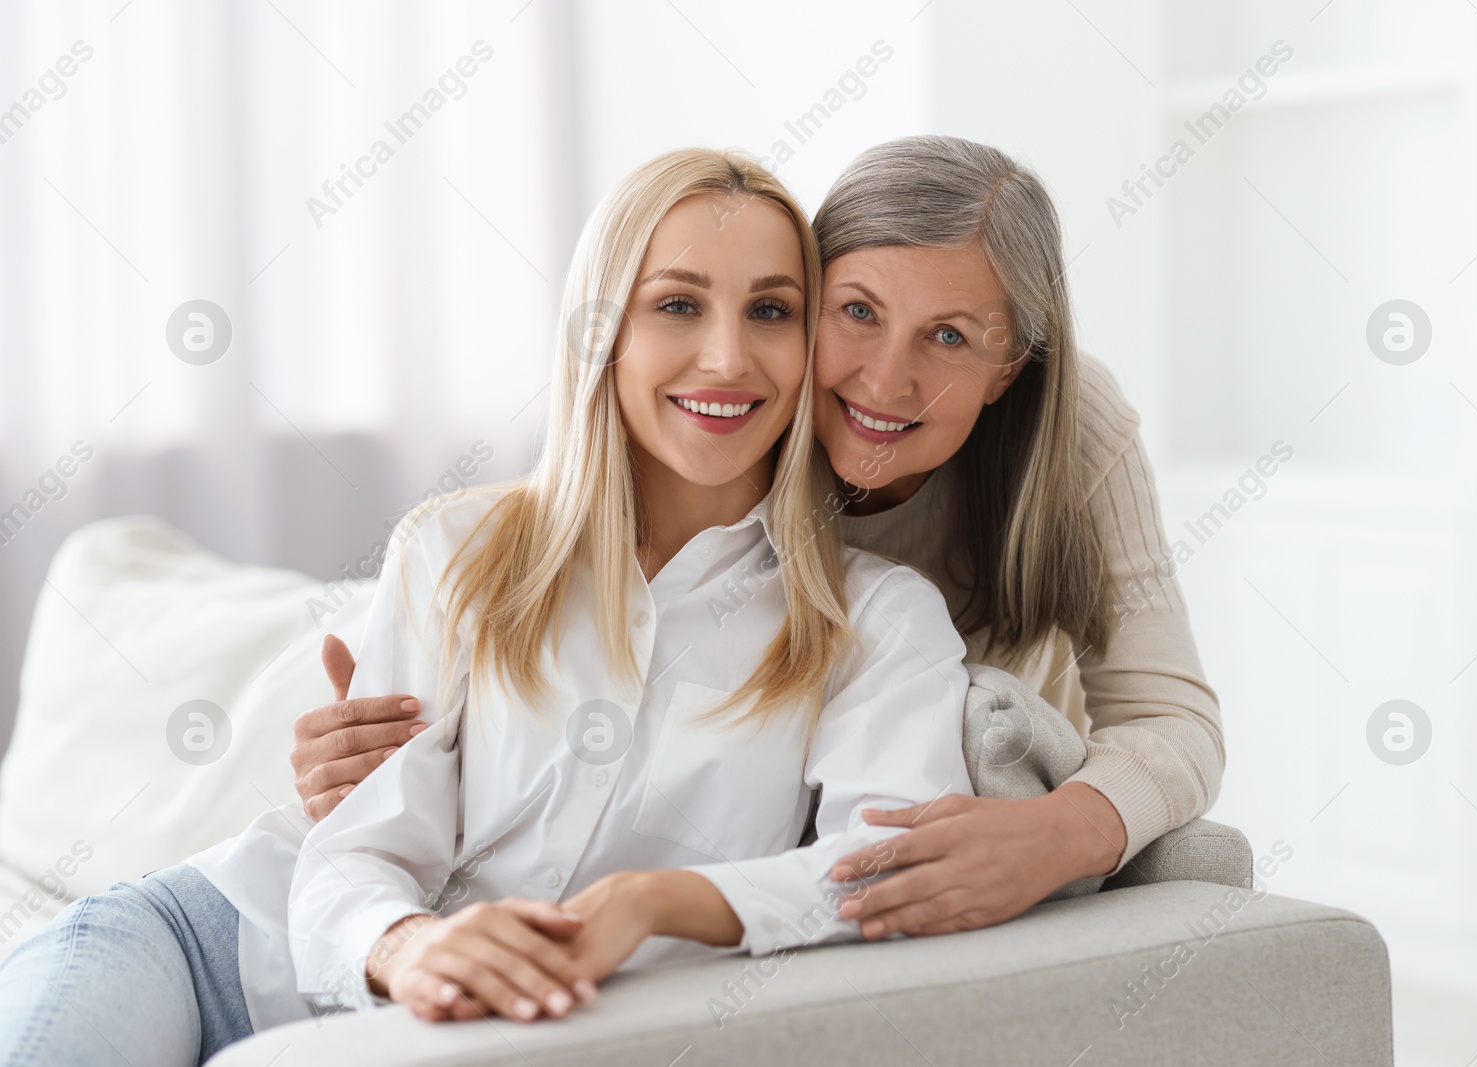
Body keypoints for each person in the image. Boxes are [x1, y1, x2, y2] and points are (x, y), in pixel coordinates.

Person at [0, 148, 973, 1064]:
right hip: (216, 944)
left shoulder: (876, 622)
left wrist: (651, 902)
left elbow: (882, 867)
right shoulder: (456, 549)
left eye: (770, 310)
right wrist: (412, 944)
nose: (726, 355)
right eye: (677, 302)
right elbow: (356, 850)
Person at [297, 135, 1225, 941]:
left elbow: (1170, 713)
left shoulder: (1061, 437)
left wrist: (1060, 831)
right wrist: (394, 764)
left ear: (1009, 367)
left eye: (947, 336)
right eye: (856, 311)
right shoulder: (730, 416)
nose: (885, 381)